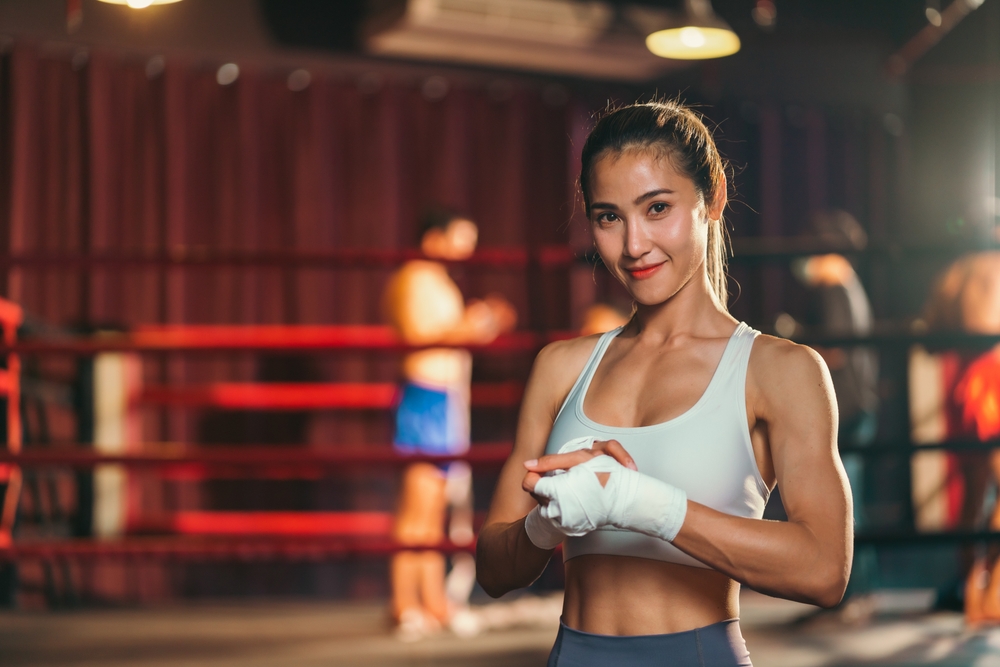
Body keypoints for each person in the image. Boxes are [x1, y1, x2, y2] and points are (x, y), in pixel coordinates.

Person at [476, 101, 853, 666]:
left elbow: (824, 568)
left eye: (657, 208)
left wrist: (639, 503)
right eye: (609, 217)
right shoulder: (561, 366)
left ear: (714, 198)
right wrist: (545, 521)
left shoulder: (780, 370)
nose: (633, 245)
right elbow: (493, 570)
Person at [382, 208, 516, 639]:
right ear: (434, 237)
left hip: (445, 399)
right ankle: (404, 605)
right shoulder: (414, 278)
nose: (466, 250)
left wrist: (482, 324)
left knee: (435, 512)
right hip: (424, 398)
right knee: (416, 511)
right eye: (460, 239)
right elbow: (423, 338)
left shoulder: (437, 282)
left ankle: (432, 602)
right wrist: (477, 321)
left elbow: (447, 338)